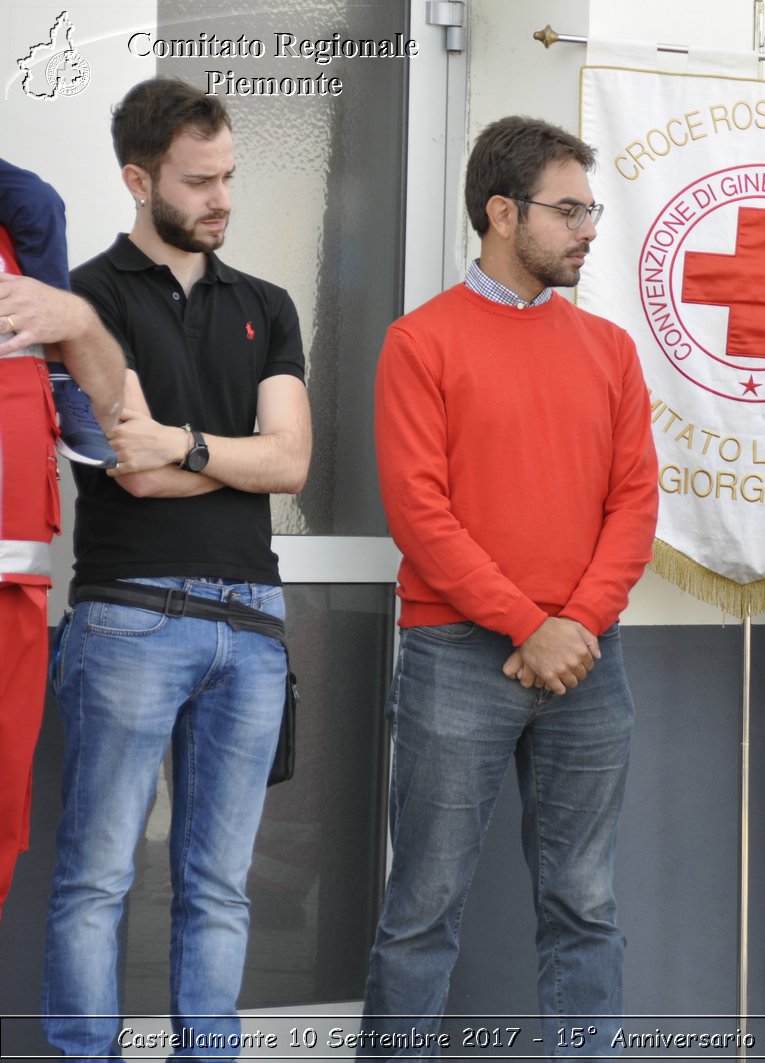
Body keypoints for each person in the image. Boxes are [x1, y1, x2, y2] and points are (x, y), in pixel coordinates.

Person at [362, 116, 657, 1056]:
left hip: (589, 663)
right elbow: (420, 513)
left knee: (587, 902)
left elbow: (635, 505)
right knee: (423, 906)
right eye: (568, 210)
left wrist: (577, 624)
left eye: (590, 209)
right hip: (458, 654)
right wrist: (532, 624)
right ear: (501, 212)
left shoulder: (609, 350)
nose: (587, 229)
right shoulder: (420, 343)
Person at [41, 77, 311, 1056]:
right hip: (129, 619)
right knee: (98, 875)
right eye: (199, 181)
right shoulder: (82, 304)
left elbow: (290, 461)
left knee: (219, 884)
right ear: (137, 179)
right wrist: (218, 456)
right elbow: (133, 472)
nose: (222, 198)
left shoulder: (267, 304)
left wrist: (184, 445)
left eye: (230, 176)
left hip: (251, 626)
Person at [0, 159, 124, 922]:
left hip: (13, 586)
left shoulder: (20, 237)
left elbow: (126, 439)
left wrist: (73, 333)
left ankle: (60, 386)